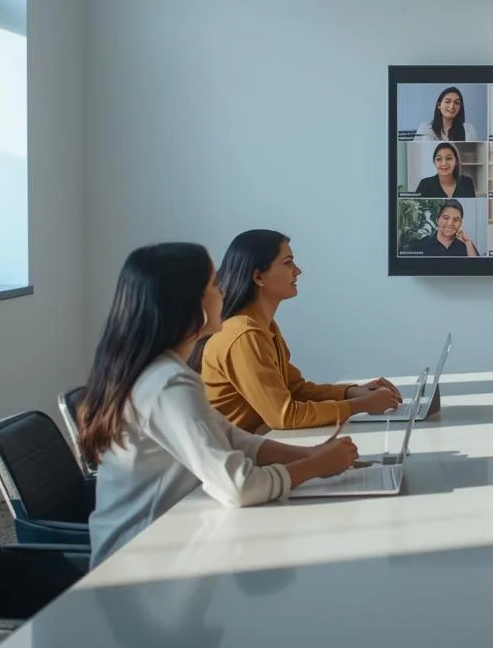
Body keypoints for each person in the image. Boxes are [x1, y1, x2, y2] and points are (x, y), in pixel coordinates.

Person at [80, 242, 361, 567]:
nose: (223, 291)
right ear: (187, 301)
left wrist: (314, 455)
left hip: (170, 545)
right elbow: (237, 486)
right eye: (214, 284)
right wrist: (314, 467)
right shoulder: (168, 383)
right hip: (141, 564)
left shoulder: (164, 372)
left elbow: (234, 438)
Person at [195, 230, 404, 432]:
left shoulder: (263, 326)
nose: (298, 271)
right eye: (288, 263)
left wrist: (353, 392)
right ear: (259, 277)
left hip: (259, 446)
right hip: (240, 459)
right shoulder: (244, 334)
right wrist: (360, 405)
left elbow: (295, 389)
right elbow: (284, 416)